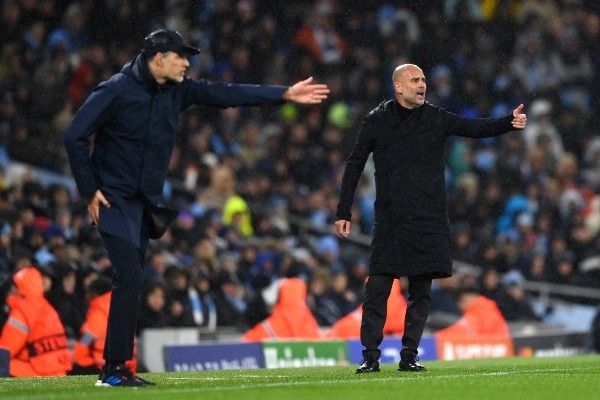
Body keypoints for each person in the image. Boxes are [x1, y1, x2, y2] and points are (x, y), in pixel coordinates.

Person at [64, 29, 329, 387]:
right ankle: (112, 369)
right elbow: (74, 135)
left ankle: (117, 367)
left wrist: (282, 93)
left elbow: (227, 94)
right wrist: (89, 190)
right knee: (128, 275)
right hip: (113, 199)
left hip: (144, 203)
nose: (188, 63)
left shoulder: (179, 89)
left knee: (132, 278)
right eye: (181, 56)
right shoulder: (115, 90)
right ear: (158, 58)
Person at [334, 63, 526, 373]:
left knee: (421, 293)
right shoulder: (376, 121)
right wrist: (343, 210)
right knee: (377, 290)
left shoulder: (435, 118)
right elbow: (354, 164)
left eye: (423, 80)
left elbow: (472, 127)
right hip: (391, 221)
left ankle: (409, 355)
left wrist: (508, 122)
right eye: (414, 80)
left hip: (428, 220)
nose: (422, 85)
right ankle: (370, 356)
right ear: (398, 87)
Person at [0, 267, 72, 377]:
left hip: (33, 371)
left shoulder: (22, 310)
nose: (11, 289)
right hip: (59, 372)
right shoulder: (48, 307)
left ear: (20, 288)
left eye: (14, 285)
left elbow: (6, 349)